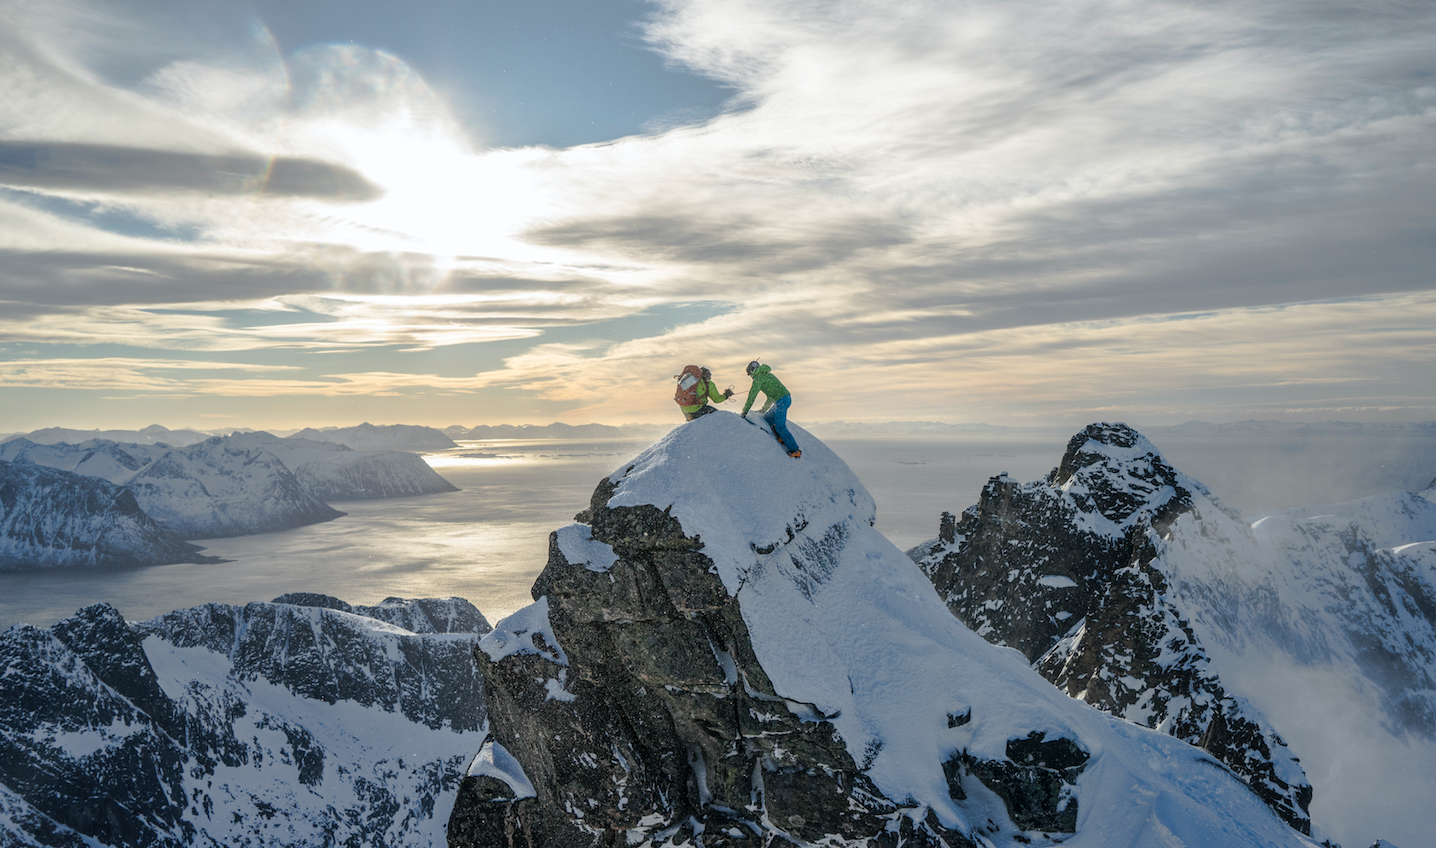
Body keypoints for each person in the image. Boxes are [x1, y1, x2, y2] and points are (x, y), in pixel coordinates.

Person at [741, 360, 800, 458]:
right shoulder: (768, 375)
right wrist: (764, 409)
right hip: (783, 399)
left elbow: (752, 395)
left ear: (752, 371)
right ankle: (781, 437)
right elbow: (771, 396)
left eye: (749, 374)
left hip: (781, 401)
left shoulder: (758, 378)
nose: (751, 377)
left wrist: (745, 411)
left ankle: (795, 450)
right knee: (768, 418)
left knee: (780, 426)